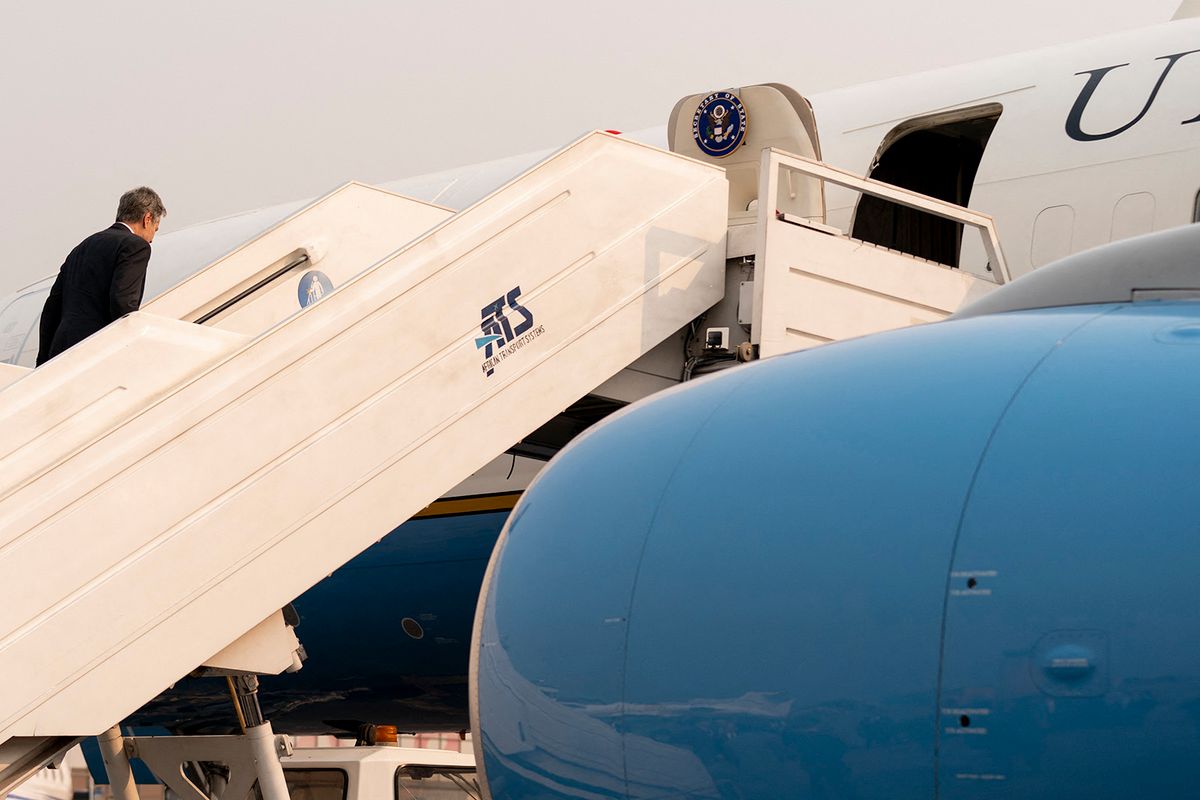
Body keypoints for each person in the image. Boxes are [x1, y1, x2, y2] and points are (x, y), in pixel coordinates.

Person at [36, 186, 166, 366]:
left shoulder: (81, 248)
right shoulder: (136, 246)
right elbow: (123, 302)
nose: (152, 238)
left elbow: (52, 307)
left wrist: (44, 360)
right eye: (155, 229)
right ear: (148, 218)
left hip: (61, 352)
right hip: (96, 351)